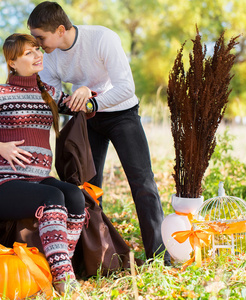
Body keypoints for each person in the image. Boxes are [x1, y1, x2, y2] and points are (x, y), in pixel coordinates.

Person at [27, 1, 170, 264]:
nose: (37, 44)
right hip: (86, 120)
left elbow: (126, 87)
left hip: (121, 114)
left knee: (142, 182)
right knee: (89, 188)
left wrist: (91, 99)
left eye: (40, 37)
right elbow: (53, 95)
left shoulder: (103, 38)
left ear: (60, 30)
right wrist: (75, 98)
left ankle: (159, 256)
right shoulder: (49, 56)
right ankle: (99, 257)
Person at [0, 33, 95, 294]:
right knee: (53, 196)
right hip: (1, 184)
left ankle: (53, 268)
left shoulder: (50, 94)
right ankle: (63, 279)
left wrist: (85, 90)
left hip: (36, 180)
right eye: (28, 53)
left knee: (75, 197)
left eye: (37, 49)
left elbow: (86, 108)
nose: (37, 55)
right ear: (12, 62)